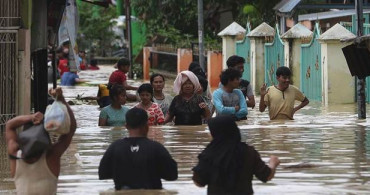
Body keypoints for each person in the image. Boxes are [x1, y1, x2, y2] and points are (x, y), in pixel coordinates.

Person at [6, 87, 76, 194]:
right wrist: (61, 99)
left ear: (22, 141)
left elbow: (9, 125)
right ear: (46, 141)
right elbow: (71, 129)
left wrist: (31, 117)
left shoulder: (15, 156)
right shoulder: (51, 157)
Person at [192, 116, 280, 194]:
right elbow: (267, 176)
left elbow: (199, 183)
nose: (209, 134)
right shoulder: (249, 152)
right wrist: (273, 163)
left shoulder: (208, 154)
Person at [99, 107, 178, 189]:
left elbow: (103, 174)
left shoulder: (115, 147)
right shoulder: (157, 148)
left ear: (126, 126)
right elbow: (172, 175)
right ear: (147, 126)